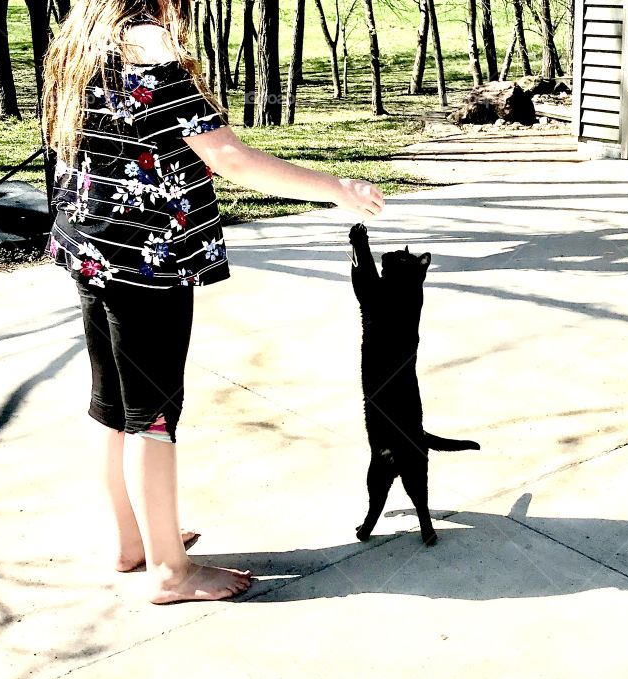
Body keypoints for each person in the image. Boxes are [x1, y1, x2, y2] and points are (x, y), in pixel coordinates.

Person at [41, 0, 384, 604]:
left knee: (113, 404)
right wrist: (338, 189)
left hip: (91, 246)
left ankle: (133, 542)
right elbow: (229, 157)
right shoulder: (147, 41)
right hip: (147, 263)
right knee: (153, 415)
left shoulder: (82, 35)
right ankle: (171, 572)